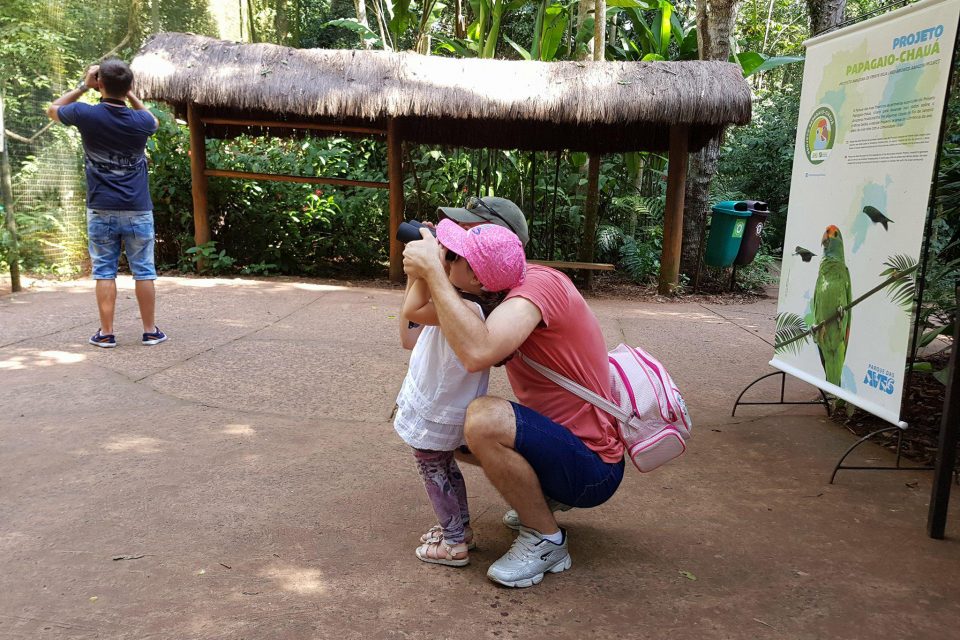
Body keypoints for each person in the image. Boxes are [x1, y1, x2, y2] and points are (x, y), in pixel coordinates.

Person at [402, 197, 625, 589]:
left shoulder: (537, 286)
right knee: (443, 430)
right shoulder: (489, 294)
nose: (450, 247)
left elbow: (476, 353)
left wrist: (434, 274)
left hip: (594, 465)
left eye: (463, 238)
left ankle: (546, 539)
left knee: (482, 419)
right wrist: (422, 273)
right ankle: (543, 496)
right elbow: (409, 335)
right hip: (565, 448)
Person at [396, 221, 526, 567]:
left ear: (477, 280)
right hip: (447, 405)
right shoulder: (472, 305)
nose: (448, 258)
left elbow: (411, 310)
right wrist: (428, 268)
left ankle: (453, 543)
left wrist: (427, 269)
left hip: (436, 406)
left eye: (455, 257)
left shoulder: (463, 308)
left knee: (432, 469)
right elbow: (410, 333)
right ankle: (459, 529)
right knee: (445, 467)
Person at [47, 58, 166, 348]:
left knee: (104, 270)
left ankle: (107, 333)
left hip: (101, 206)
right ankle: (150, 331)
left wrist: (83, 87)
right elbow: (154, 120)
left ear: (99, 83)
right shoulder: (141, 121)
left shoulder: (85, 114)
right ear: (129, 86)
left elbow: (52, 109)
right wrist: (130, 93)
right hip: (138, 207)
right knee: (144, 271)